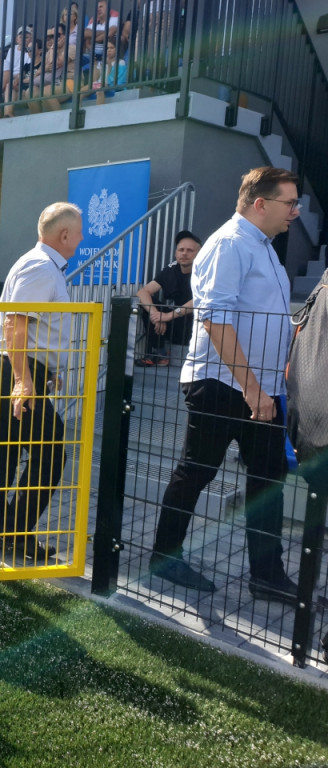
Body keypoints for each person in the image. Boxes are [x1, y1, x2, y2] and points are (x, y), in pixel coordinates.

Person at [149, 167, 300, 602]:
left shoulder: (262, 246)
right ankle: (165, 553)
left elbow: (263, 315)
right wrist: (253, 389)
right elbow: (215, 319)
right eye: (290, 203)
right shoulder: (231, 244)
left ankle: (266, 576)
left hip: (260, 388)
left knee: (268, 477)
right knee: (198, 470)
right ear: (260, 204)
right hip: (224, 384)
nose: (295, 212)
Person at [0, 203, 83, 564]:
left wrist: (43, 370)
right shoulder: (41, 266)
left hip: (14, 367)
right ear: (65, 235)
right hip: (14, 369)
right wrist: (25, 380)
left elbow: (27, 326)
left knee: (6, 454)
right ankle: (14, 531)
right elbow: (16, 324)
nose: (82, 238)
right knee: (52, 452)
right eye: (79, 232)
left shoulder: (42, 266)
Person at [135, 230, 200, 366]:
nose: (184, 253)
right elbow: (143, 292)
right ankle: (160, 354)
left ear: (199, 254)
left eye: (190, 250)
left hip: (197, 327)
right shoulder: (171, 270)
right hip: (177, 326)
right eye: (181, 250)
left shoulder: (204, 271)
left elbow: (200, 300)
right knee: (149, 304)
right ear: (176, 253)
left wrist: (168, 316)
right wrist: (156, 314)